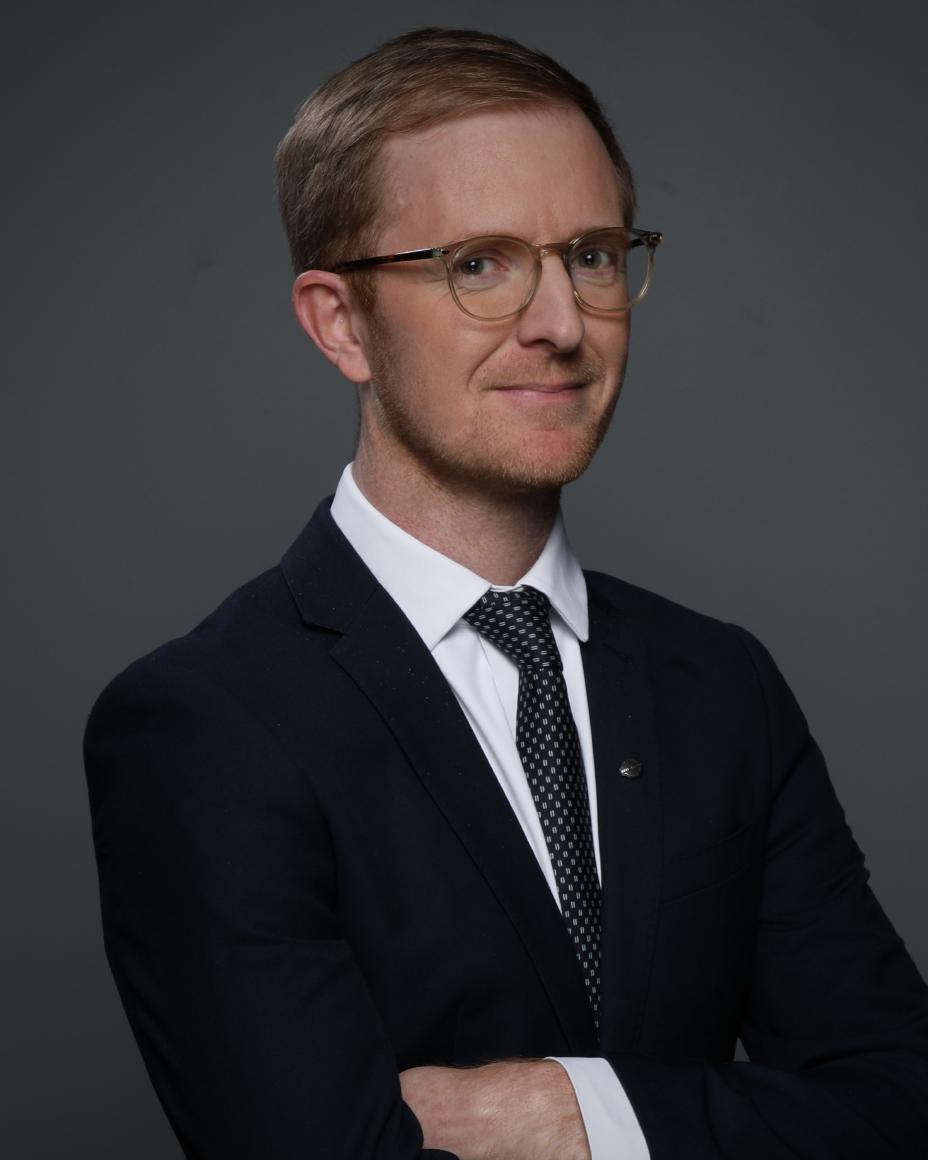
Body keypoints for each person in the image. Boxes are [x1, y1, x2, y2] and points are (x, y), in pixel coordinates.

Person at [84, 26, 928, 1160]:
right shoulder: (207, 721)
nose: (562, 324)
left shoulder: (720, 683)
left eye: (588, 253)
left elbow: (901, 1097)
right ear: (341, 323)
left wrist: (585, 1115)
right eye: (478, 263)